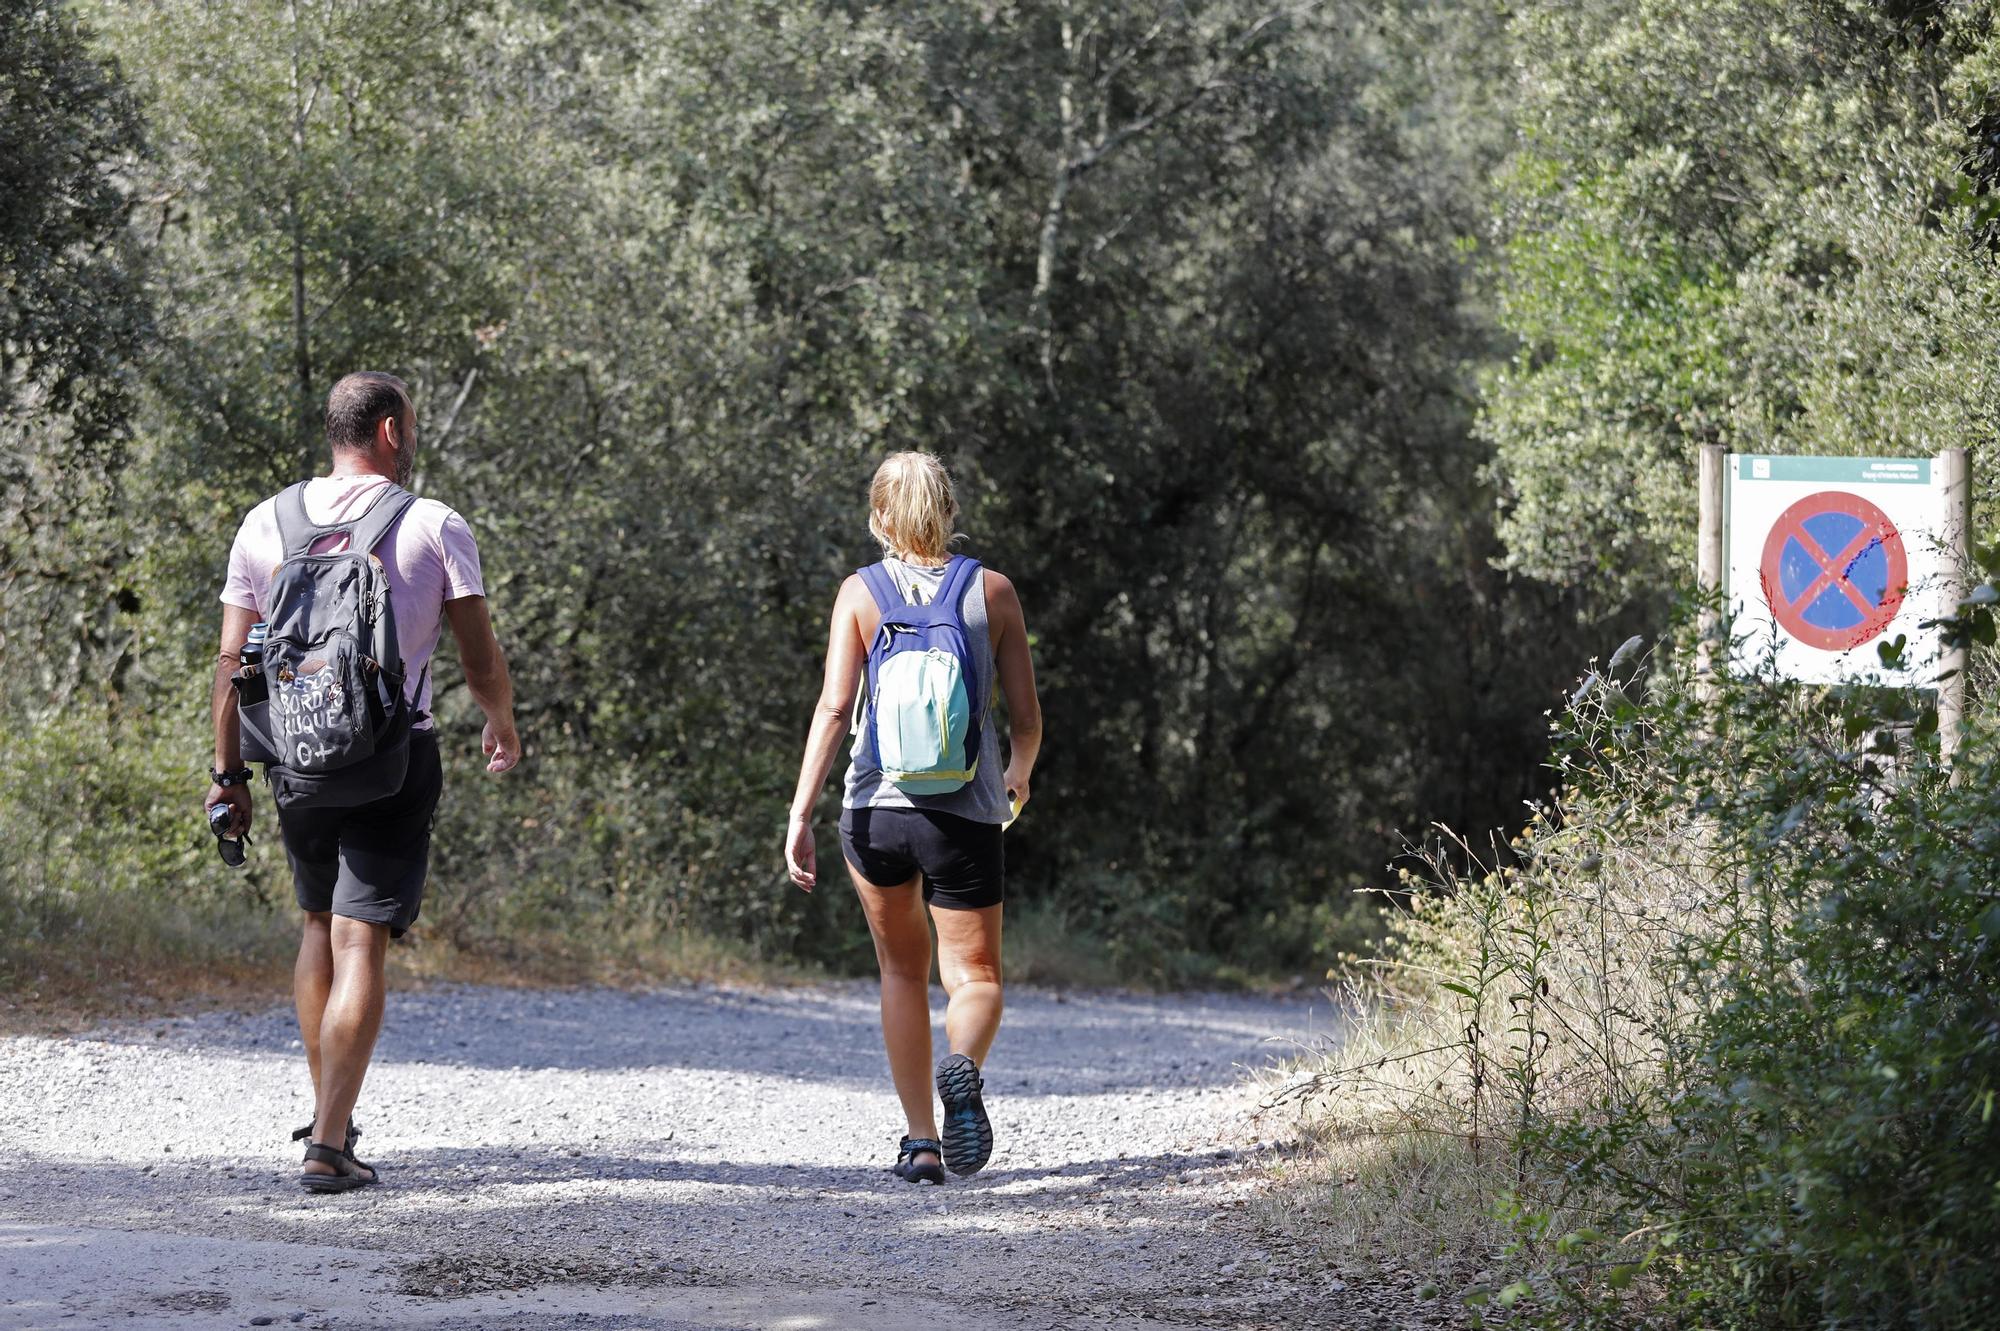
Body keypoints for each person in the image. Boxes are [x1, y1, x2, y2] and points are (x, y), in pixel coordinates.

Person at [203, 371, 520, 1194]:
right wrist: (501, 720)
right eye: (407, 426)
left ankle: (327, 1115)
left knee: (316, 925)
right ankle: (331, 1139)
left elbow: (232, 667)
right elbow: (479, 658)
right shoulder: (434, 525)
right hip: (391, 756)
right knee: (359, 937)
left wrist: (228, 773)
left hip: (295, 758)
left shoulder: (264, 523)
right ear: (387, 431)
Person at [785, 451, 1043, 1184]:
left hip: (874, 813)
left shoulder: (859, 593)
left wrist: (801, 811)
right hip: (961, 813)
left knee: (901, 970)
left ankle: (921, 1144)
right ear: (951, 509)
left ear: (879, 517)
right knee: (976, 974)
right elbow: (1025, 718)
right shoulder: (993, 591)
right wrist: (1018, 772)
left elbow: (835, 707)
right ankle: (961, 1065)